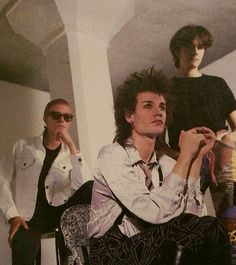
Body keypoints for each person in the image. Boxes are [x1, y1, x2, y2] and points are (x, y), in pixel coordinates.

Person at [88, 68, 231, 265]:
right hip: (111, 251)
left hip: (151, 239)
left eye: (162, 107)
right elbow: (153, 211)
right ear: (130, 116)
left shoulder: (167, 164)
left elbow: (193, 217)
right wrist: (184, 157)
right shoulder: (112, 155)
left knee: (211, 226)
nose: (158, 112)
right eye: (148, 106)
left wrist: (196, 158)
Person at [0, 98, 93, 265]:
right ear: (45, 119)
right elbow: (1, 179)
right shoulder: (22, 146)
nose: (62, 121)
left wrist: (71, 146)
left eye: (67, 117)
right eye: (56, 115)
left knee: (91, 185)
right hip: (29, 219)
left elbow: (83, 187)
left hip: (61, 218)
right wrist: (12, 215)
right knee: (23, 253)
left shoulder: (72, 154)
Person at [168, 24, 236, 191]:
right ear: (177, 51)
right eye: (189, 46)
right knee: (187, 214)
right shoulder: (166, 90)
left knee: (230, 213)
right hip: (186, 161)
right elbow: (160, 142)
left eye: (200, 46)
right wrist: (181, 158)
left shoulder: (217, 84)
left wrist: (227, 140)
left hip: (221, 156)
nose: (195, 51)